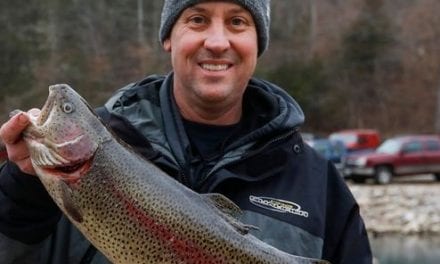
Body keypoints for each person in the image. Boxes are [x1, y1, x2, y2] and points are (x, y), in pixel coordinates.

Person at [0, 0, 372, 263]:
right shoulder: (80, 165)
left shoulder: (319, 184)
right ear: (168, 37)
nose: (216, 41)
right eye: (197, 19)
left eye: (238, 22)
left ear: (258, 42)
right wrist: (21, 191)